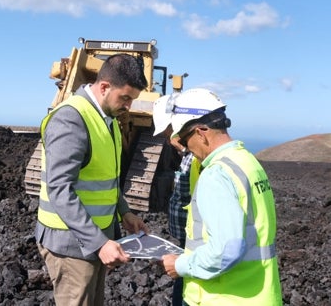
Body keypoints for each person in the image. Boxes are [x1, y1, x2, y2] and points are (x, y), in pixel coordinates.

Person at [35, 54, 150, 306]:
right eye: (126, 98)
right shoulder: (71, 119)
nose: (129, 106)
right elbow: (59, 189)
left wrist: (125, 212)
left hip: (93, 240)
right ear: (105, 86)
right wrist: (99, 243)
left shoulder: (106, 119)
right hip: (71, 245)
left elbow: (105, 178)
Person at [160, 88, 282, 306]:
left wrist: (180, 265)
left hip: (222, 296)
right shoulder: (248, 162)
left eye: (186, 142)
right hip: (260, 294)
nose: (188, 150)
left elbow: (227, 250)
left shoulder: (216, 174)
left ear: (201, 132)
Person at [153, 94, 200, 306]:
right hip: (186, 240)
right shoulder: (188, 156)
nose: (166, 135)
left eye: (168, 130)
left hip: (195, 242)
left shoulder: (198, 160)